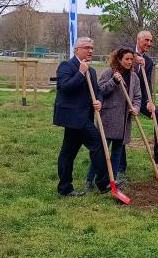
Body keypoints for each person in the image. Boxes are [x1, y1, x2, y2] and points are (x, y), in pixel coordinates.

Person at [53, 37, 110, 197]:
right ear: (76, 50)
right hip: (72, 117)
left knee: (68, 153)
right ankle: (104, 183)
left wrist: (99, 100)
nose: (90, 50)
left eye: (92, 47)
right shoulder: (66, 66)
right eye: (86, 47)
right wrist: (80, 72)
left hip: (84, 117)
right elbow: (65, 88)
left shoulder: (91, 70)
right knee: (98, 143)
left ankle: (65, 188)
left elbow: (97, 90)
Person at [85, 48, 141, 190]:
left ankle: (112, 180)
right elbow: (100, 90)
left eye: (131, 59)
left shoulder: (134, 77)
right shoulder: (109, 73)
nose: (129, 62)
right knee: (101, 151)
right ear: (119, 59)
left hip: (124, 121)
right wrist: (114, 81)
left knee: (117, 151)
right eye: (126, 59)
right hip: (109, 118)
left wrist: (136, 108)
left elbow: (137, 97)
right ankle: (89, 180)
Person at [119, 30, 158, 175]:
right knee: (123, 125)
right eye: (146, 40)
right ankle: (121, 165)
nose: (149, 43)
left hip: (138, 97)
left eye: (150, 41)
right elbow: (117, 61)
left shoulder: (149, 61)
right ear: (138, 40)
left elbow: (146, 82)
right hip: (122, 96)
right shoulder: (126, 50)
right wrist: (134, 58)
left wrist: (148, 101)